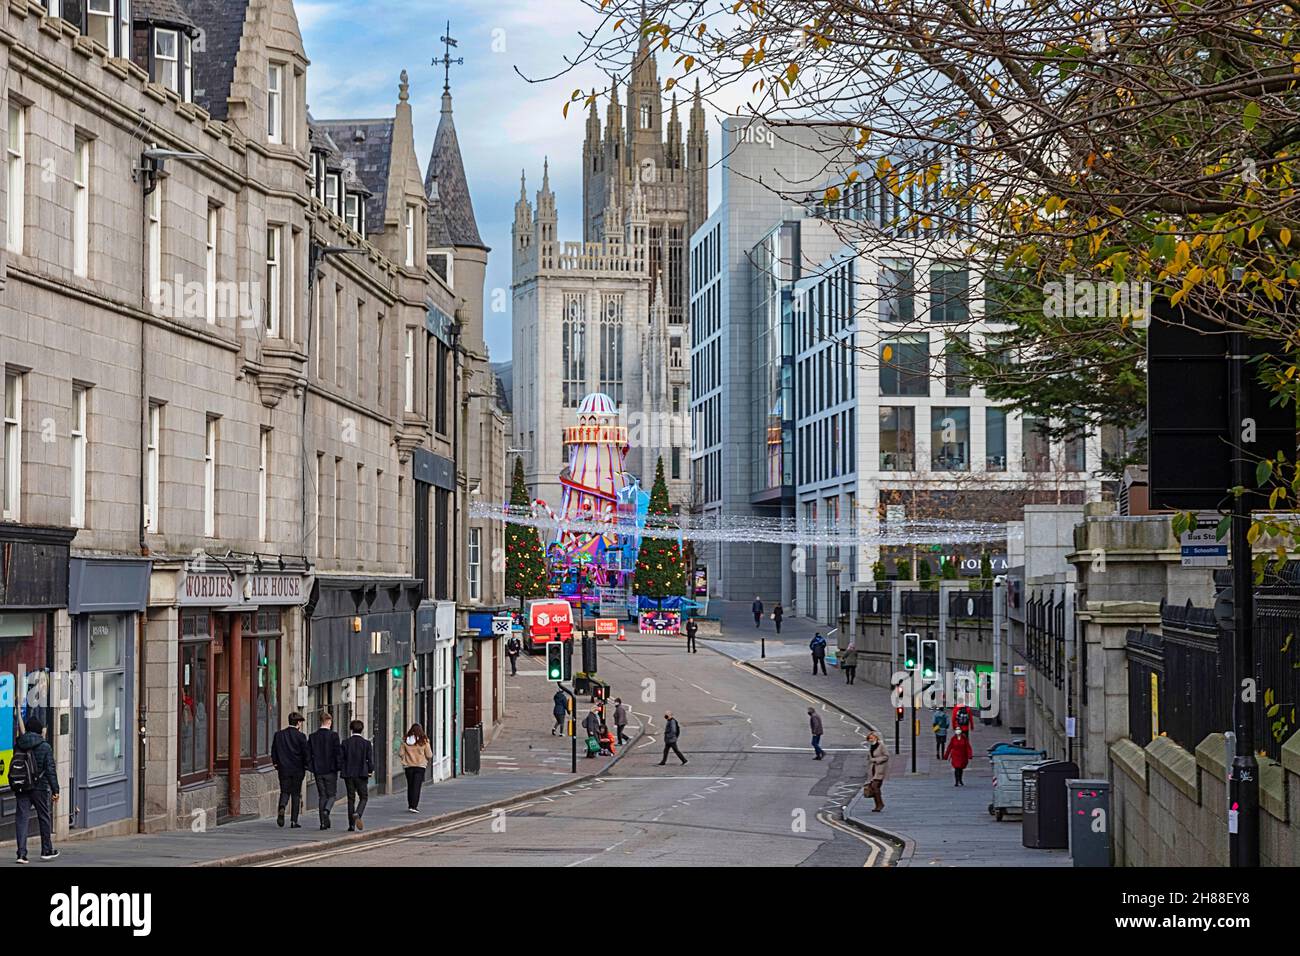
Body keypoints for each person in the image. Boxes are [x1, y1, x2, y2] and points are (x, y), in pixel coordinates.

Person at [11, 716, 59, 863]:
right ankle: (46, 850)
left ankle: (21, 854)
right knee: (44, 817)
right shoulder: (45, 746)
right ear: (39, 731)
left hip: (22, 786)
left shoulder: (19, 744)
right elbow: (50, 769)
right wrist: (55, 789)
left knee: (21, 819)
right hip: (39, 787)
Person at [271, 712, 310, 828]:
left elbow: (274, 751)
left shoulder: (279, 735)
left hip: (283, 769)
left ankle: (282, 807)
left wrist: (276, 764)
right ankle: (294, 820)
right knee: (296, 794)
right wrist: (307, 765)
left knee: (285, 791)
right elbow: (306, 754)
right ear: (298, 723)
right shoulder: (301, 736)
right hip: (298, 770)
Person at [307, 710, 344, 830]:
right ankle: (327, 810)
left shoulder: (313, 737)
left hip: (318, 771)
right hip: (331, 771)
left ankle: (323, 823)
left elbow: (308, 755)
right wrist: (339, 767)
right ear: (328, 721)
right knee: (332, 795)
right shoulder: (334, 736)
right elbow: (338, 753)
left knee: (322, 796)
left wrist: (312, 767)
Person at [340, 719, 375, 832]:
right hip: (361, 774)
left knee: (351, 799)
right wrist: (370, 770)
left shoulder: (345, 743)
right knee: (363, 797)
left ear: (351, 729)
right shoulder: (366, 744)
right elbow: (370, 760)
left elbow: (341, 759)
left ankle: (351, 825)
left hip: (348, 774)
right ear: (362, 729)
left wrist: (343, 769)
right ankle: (358, 813)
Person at [399, 723, 434, 813]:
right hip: (420, 766)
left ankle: (410, 805)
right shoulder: (424, 741)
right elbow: (429, 755)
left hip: (408, 766)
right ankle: (414, 806)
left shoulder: (405, 741)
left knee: (410, 786)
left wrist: (407, 756)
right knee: (416, 786)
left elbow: (401, 754)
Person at [864, 730, 890, 812]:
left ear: (876, 737)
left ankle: (880, 804)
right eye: (869, 738)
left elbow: (886, 756)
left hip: (880, 769)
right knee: (874, 788)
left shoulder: (881, 746)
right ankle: (878, 805)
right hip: (873, 769)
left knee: (875, 787)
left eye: (872, 738)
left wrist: (875, 760)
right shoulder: (872, 746)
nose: (870, 740)